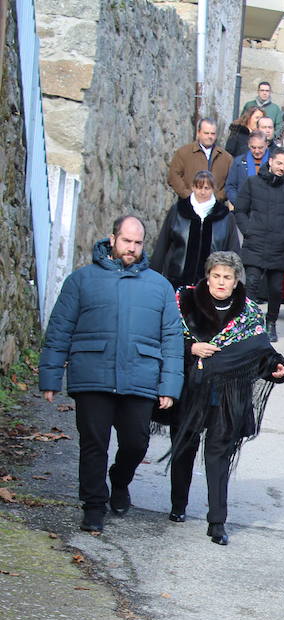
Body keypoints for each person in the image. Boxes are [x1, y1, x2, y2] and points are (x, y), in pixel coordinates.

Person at [39, 216, 182, 532]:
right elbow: (60, 328)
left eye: (137, 243)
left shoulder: (159, 287)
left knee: (136, 442)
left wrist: (169, 385)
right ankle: (93, 506)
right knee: (94, 444)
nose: (131, 248)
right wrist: (50, 375)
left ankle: (120, 480)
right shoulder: (81, 280)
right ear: (113, 239)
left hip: (141, 376)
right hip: (93, 373)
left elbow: (172, 338)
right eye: (126, 241)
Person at [165, 252, 284, 544]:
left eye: (228, 277)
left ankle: (217, 521)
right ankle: (178, 505)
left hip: (229, 395)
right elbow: (167, 338)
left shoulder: (248, 314)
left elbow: (260, 352)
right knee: (184, 446)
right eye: (217, 276)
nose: (221, 282)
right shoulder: (185, 303)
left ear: (236, 281)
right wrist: (191, 349)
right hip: (191, 390)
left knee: (218, 455)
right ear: (208, 276)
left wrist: (277, 368)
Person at [233, 148, 284, 342]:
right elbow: (240, 210)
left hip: (278, 246)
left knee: (276, 289)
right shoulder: (252, 183)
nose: (282, 168)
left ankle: (270, 323)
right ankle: (249, 322)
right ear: (270, 161)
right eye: (279, 163)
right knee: (252, 284)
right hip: (255, 242)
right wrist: (249, 230)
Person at [150, 170, 238, 288]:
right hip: (176, 280)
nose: (202, 192)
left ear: (213, 189)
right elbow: (163, 244)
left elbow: (233, 251)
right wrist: (153, 276)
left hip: (212, 285)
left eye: (207, 188)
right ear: (193, 187)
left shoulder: (225, 217)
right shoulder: (178, 211)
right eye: (199, 187)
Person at [167, 118, 231, 200]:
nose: (209, 136)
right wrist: (188, 196)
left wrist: (217, 197)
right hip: (187, 206)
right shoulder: (184, 153)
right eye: (206, 133)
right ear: (198, 133)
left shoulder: (226, 158)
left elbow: (231, 183)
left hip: (215, 208)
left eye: (213, 134)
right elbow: (173, 176)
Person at [225, 131, 271, 206]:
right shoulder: (239, 162)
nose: (257, 151)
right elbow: (230, 186)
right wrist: (239, 202)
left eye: (260, 148)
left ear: (266, 145)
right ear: (249, 145)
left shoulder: (274, 162)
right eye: (253, 147)